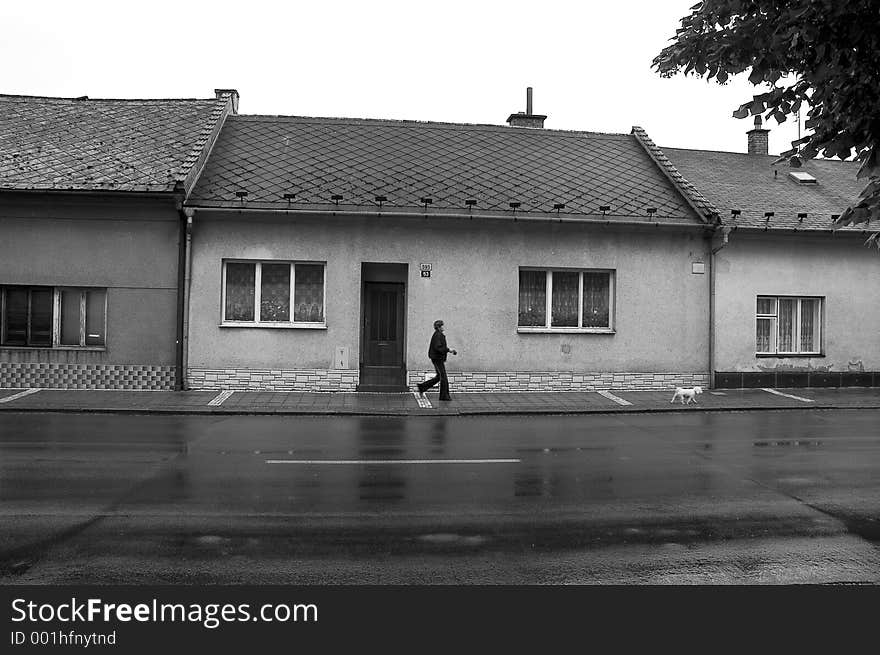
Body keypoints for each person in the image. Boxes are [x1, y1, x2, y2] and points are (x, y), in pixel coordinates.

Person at [416, 319, 457, 401]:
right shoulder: (438, 335)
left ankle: (422, 387)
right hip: (437, 359)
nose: (444, 327)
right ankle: (444, 396)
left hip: (437, 358)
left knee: (439, 377)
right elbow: (438, 348)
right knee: (443, 377)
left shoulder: (438, 334)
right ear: (439, 327)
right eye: (442, 325)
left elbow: (438, 347)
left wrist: (448, 350)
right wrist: (449, 350)